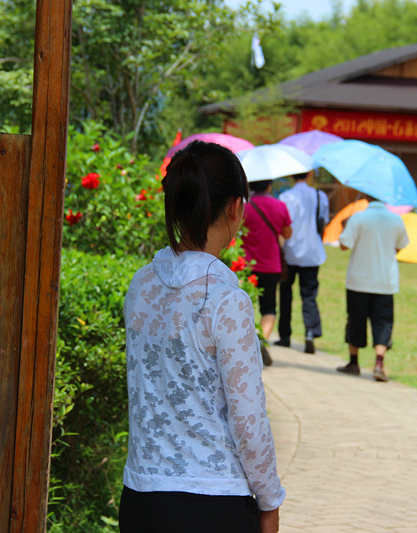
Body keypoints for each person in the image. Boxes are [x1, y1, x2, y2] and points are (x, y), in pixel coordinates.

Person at [120, 141, 285, 533]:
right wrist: (270, 498)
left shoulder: (141, 285)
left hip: (141, 497)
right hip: (214, 504)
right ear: (235, 208)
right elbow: (248, 420)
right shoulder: (227, 300)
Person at [336, 196, 409, 382]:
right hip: (385, 281)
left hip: (359, 279)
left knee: (355, 320)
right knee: (383, 322)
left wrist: (344, 225)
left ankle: (354, 362)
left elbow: (345, 245)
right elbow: (400, 246)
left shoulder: (358, 218)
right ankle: (379, 363)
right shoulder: (396, 219)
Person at [275, 171, 329, 354]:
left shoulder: (285, 196)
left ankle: (285, 336)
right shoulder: (319, 196)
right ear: (309, 174)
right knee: (309, 295)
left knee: (285, 294)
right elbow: (324, 221)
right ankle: (310, 332)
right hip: (312, 252)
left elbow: (283, 225)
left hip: (290, 251)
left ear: (291, 176)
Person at [241, 179, 292, 366]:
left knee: (243, 306)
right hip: (271, 265)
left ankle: (243, 346)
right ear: (269, 185)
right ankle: (261, 341)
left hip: (245, 265)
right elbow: (287, 234)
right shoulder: (280, 206)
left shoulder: (245, 207)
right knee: (269, 308)